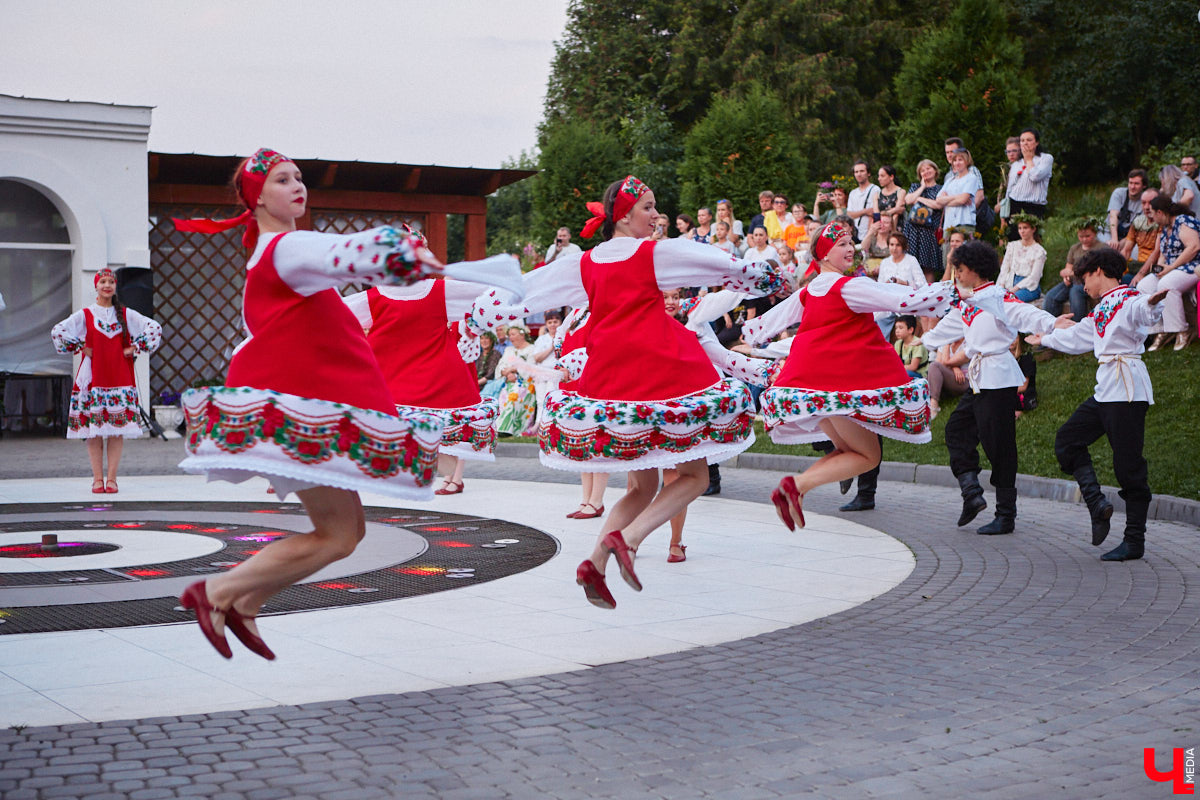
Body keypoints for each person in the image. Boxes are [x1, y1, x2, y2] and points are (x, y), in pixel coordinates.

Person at [170, 148, 455, 660]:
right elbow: (340, 254)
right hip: (306, 421)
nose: (297, 186)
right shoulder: (287, 249)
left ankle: (247, 602)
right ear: (257, 196)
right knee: (340, 535)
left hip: (306, 417)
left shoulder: (270, 255)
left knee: (344, 534)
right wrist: (397, 249)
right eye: (282, 180)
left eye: (299, 178)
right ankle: (214, 593)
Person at [495, 175, 784, 608]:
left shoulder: (586, 261)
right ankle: (626, 541)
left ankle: (595, 560)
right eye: (648, 207)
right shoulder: (653, 252)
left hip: (611, 375)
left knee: (640, 487)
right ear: (624, 215)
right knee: (694, 476)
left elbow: (533, 287)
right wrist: (753, 272)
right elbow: (708, 261)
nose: (655, 216)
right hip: (658, 367)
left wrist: (488, 305)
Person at [741, 222, 956, 530]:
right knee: (869, 456)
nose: (850, 247)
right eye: (842, 243)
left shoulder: (809, 292)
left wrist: (751, 336)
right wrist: (952, 291)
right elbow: (900, 300)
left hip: (813, 388)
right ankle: (796, 486)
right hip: (839, 388)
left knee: (849, 452)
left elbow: (765, 324)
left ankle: (796, 490)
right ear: (825, 252)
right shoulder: (848, 286)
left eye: (851, 242)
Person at [1027, 247, 1168, 562]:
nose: (1082, 285)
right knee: (1067, 441)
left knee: (1128, 466)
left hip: (1127, 390)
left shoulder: (1129, 298)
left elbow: (1142, 311)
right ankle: (1097, 505)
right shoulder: (1103, 307)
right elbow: (1079, 337)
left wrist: (1152, 304)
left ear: (1099, 271)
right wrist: (1045, 339)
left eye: (1085, 277)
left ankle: (1134, 541)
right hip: (1106, 390)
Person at [921, 240, 1066, 536]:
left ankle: (1005, 514)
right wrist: (922, 339)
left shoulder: (998, 297)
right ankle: (971, 493)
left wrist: (1052, 324)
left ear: (973, 270)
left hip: (998, 378)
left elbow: (1025, 314)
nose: (957, 275)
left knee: (999, 445)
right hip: (978, 379)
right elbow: (941, 332)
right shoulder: (968, 303)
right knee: (956, 431)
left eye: (960, 269)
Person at [344, 272, 517, 497]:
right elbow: (338, 312)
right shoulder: (378, 297)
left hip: (442, 370)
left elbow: (484, 300)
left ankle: (452, 477)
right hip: (406, 372)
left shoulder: (440, 296)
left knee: (450, 426)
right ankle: (440, 474)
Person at [50, 268, 163, 493]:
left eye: (111, 281)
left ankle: (112, 479)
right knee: (94, 431)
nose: (107, 285)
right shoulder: (85, 314)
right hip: (93, 377)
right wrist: (80, 346)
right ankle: (97, 479)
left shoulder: (126, 314)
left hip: (119, 376)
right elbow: (58, 331)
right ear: (96, 286)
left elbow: (154, 328)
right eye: (103, 281)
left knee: (115, 430)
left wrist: (135, 347)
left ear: (115, 287)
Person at [1136, 195, 1200, 352]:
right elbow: (1163, 254)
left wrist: (1170, 268)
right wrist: (1160, 269)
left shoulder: (1183, 221)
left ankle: (1182, 329)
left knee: (1167, 284)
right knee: (1144, 286)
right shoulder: (1165, 228)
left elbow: (1194, 247)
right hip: (1172, 268)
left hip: (1191, 267)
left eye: (1152, 213)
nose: (1151, 217)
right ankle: (1160, 329)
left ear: (1159, 212)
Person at [1044, 218, 1106, 321]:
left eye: (1087, 236)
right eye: (1081, 236)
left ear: (1094, 233)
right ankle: (1050, 326)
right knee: (1051, 296)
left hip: (1087, 281)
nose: (1084, 239)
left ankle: (1077, 324)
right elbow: (1068, 267)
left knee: (1075, 292)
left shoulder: (1101, 248)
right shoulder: (1075, 248)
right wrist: (1066, 278)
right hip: (1073, 280)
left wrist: (1072, 273)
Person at [872, 229, 926, 339]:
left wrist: (905, 283)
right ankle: (882, 344)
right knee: (878, 316)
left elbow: (922, 283)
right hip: (889, 301)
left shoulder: (911, 260)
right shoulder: (885, 262)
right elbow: (879, 286)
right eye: (891, 244)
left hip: (907, 299)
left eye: (898, 245)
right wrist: (886, 285)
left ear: (903, 247)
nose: (894, 248)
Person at [1003, 128, 1054, 239]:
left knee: (1032, 238)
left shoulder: (1046, 159)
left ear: (1036, 142)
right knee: (1013, 238)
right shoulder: (1016, 163)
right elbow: (1010, 187)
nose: (1025, 143)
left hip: (1034, 205)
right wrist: (1004, 210)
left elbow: (1035, 176)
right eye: (1022, 140)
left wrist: (1029, 160)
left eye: (1029, 140)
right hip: (1015, 204)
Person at [903, 159, 944, 281]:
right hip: (913, 231)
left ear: (935, 170)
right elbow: (908, 200)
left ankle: (929, 293)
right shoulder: (915, 186)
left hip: (929, 232)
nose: (926, 171)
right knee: (911, 264)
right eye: (923, 170)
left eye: (928, 168)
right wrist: (922, 187)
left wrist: (919, 199)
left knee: (928, 266)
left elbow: (938, 205)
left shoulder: (940, 189)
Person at [495, 324, 539, 435]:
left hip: (526, 384)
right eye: (509, 335)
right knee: (503, 398)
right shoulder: (509, 350)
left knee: (514, 398)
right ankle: (502, 428)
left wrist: (514, 369)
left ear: (522, 334)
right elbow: (501, 365)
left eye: (513, 334)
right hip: (509, 382)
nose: (511, 337)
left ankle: (511, 430)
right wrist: (506, 372)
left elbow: (530, 367)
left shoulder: (532, 349)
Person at [997, 213, 1047, 302]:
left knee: (1009, 301)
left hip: (1029, 287)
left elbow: (1034, 277)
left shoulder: (1039, 251)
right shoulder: (1012, 246)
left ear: (1033, 229)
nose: (1022, 231)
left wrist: (1015, 288)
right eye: (1020, 228)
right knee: (994, 299)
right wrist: (1001, 285)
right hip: (1010, 281)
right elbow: (1005, 268)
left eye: (1025, 228)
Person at [938, 148, 982, 241]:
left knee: (964, 253)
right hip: (949, 224)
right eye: (955, 160)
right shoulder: (950, 181)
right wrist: (957, 197)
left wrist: (946, 200)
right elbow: (938, 200)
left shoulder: (971, 178)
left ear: (966, 161)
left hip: (964, 222)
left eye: (960, 160)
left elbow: (963, 199)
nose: (957, 163)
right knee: (947, 254)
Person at [1118, 188, 1161, 279]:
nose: (1146, 207)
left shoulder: (1162, 223)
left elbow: (1157, 252)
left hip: (1154, 268)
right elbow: (1126, 250)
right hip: (1138, 266)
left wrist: (1141, 274)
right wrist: (1116, 271)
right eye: (1143, 203)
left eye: (1150, 203)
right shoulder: (1138, 222)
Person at [926, 337, 969, 420]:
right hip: (949, 378)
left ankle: (934, 404)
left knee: (934, 367)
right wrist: (954, 368)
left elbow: (945, 362)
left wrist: (947, 343)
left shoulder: (967, 344)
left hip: (963, 381)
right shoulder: (944, 344)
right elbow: (938, 364)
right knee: (926, 377)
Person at [1107, 169, 1147, 244]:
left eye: (1136, 184)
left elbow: (1137, 230)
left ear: (1144, 185)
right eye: (1130, 183)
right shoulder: (1119, 193)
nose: (1132, 187)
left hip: (1131, 236)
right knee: (1106, 249)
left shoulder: (1146, 201)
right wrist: (1114, 240)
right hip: (1110, 231)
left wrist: (1121, 244)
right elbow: (1113, 216)